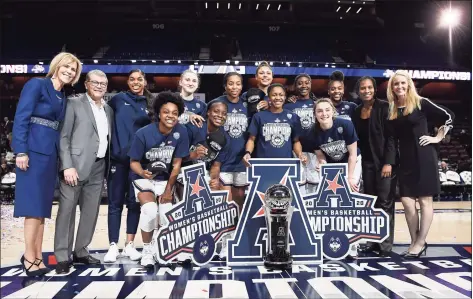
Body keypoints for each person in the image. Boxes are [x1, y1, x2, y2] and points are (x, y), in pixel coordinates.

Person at [11, 52, 82, 276]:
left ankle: (38, 257)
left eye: (74, 69)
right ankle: (29, 257)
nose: (70, 71)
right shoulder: (37, 85)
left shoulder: (63, 95)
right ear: (57, 65)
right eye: (67, 67)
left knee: (41, 210)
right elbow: (21, 117)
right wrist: (20, 150)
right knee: (32, 209)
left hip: (50, 156)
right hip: (31, 153)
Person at [387, 70, 454, 258]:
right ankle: (415, 241)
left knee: (425, 201)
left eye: (402, 83)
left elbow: (448, 115)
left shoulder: (421, 102)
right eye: (395, 84)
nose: (399, 87)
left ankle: (420, 241)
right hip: (405, 159)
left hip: (424, 156)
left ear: (409, 84)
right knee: (407, 203)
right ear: (391, 88)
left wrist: (438, 137)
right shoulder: (392, 108)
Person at [54, 70, 113, 273]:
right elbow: (63, 137)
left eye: (103, 83)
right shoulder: (73, 103)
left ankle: (81, 251)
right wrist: (67, 165)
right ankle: (62, 256)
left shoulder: (108, 109)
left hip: (99, 166)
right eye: (95, 82)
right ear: (86, 84)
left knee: (90, 212)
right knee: (66, 212)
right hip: (75, 166)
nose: (99, 86)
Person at [128, 92, 189, 267]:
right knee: (149, 211)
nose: (170, 116)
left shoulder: (181, 131)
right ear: (159, 113)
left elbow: (177, 164)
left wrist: (169, 189)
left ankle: (162, 247)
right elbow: (133, 162)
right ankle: (147, 250)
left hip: (164, 179)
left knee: (166, 214)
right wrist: (142, 173)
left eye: (175, 113)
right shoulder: (143, 133)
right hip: (143, 177)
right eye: (166, 112)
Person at [104, 70, 152, 263]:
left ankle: (130, 245)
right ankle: (113, 245)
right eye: (132, 79)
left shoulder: (150, 104)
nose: (135, 82)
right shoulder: (117, 99)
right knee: (115, 204)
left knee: (134, 204)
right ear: (127, 82)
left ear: (145, 82)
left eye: (139, 79)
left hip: (138, 162)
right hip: (117, 160)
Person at [352, 76, 397, 257]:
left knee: (385, 202)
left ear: (375, 89)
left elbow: (392, 137)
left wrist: (389, 162)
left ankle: (385, 246)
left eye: (369, 87)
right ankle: (372, 241)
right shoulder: (356, 111)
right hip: (366, 164)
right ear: (358, 90)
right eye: (363, 88)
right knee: (371, 204)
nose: (366, 90)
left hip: (383, 163)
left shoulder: (384, 107)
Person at [243, 83, 306, 165]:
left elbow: (296, 141)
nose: (278, 98)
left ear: (285, 97)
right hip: (263, 164)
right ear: (269, 98)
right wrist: (248, 153)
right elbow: (251, 139)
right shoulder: (258, 116)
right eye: (274, 95)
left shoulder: (293, 117)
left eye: (281, 95)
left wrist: (300, 154)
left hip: (286, 164)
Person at [309, 98, 362, 192]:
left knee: (350, 187)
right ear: (315, 114)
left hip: (352, 161)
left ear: (333, 111)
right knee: (331, 191)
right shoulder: (312, 132)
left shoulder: (346, 125)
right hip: (333, 164)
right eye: (319, 111)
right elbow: (320, 155)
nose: (324, 114)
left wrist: (350, 177)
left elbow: (353, 155)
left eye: (327, 110)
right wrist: (322, 163)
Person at [284, 74, 319, 193]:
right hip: (295, 151)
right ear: (295, 86)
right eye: (300, 83)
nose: (303, 85)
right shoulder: (288, 106)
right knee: (299, 187)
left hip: (316, 151)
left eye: (306, 82)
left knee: (316, 186)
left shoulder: (317, 104)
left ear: (311, 84)